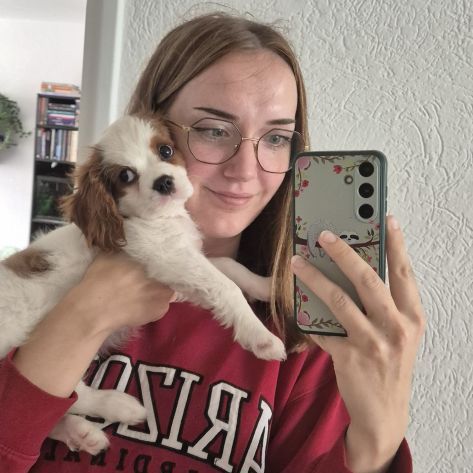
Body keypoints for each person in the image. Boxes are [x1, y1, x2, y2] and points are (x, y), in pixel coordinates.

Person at [0, 12, 425, 473]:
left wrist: (377, 440)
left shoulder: (305, 332)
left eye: (276, 137)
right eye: (213, 130)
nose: (245, 170)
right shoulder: (49, 279)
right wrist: (79, 320)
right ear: (153, 122)